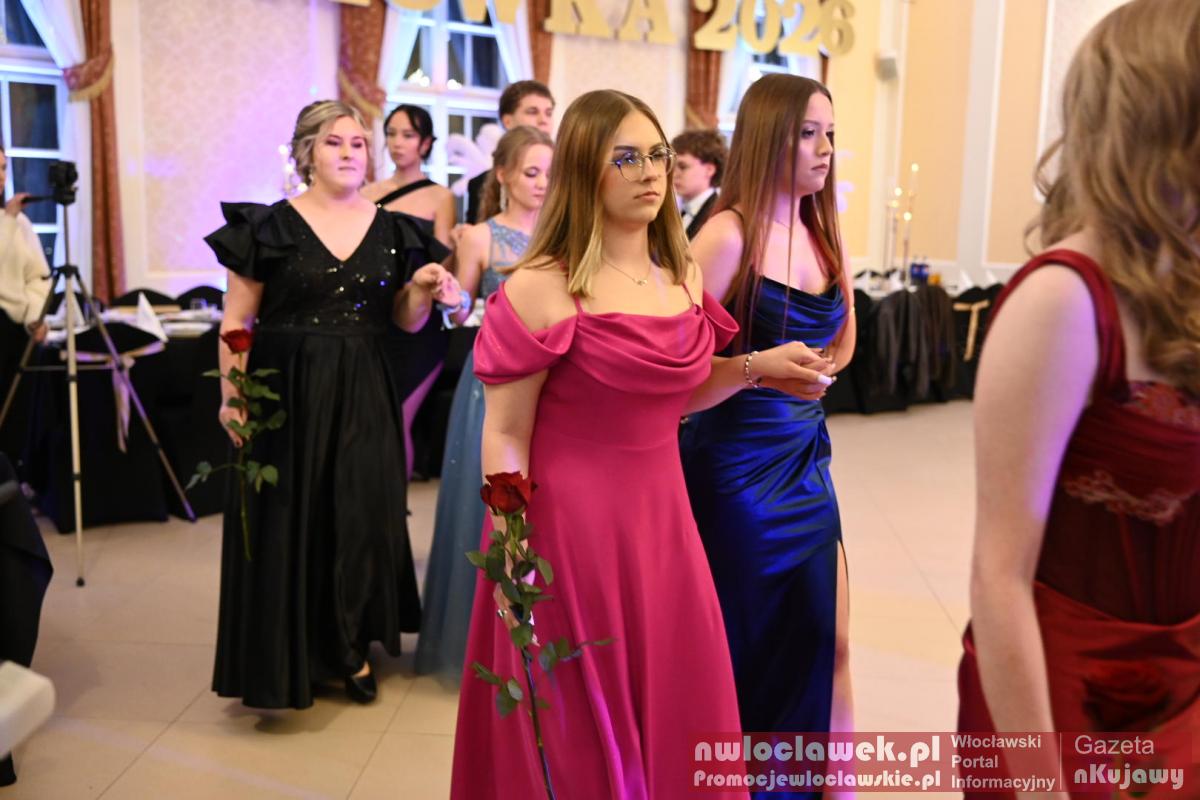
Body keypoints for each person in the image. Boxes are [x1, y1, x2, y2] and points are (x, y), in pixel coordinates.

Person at [450, 89, 833, 799]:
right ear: (583, 169)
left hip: (663, 521)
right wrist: (511, 551)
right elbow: (505, 430)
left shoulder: (680, 276)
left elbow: (676, 394)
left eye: (656, 154)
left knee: (673, 697)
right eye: (625, 157)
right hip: (568, 529)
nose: (650, 171)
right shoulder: (541, 285)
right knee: (579, 721)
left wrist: (756, 367)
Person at [958, 1, 1200, 797]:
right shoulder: (1063, 300)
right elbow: (999, 575)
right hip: (1071, 698)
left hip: (1183, 681)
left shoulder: (1186, 286)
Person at [204, 100, 460, 709]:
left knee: (359, 512)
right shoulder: (269, 226)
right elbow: (237, 320)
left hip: (366, 383)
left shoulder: (395, 229)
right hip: (285, 389)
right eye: (333, 143)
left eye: (357, 143)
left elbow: (403, 320)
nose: (348, 153)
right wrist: (232, 398)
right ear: (307, 154)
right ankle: (291, 649)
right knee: (292, 515)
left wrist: (423, 290)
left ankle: (349, 647)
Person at [678, 74, 854, 800]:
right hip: (737, 474)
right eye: (808, 134)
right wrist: (757, 369)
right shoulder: (726, 235)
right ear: (767, 139)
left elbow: (841, 341)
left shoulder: (822, 230)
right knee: (749, 648)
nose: (825, 149)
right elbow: (675, 380)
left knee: (828, 638)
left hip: (806, 462)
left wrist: (818, 371)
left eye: (831, 134)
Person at [415, 125, 552, 681]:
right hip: (494, 377)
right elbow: (460, 310)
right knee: (494, 497)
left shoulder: (567, 232)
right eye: (531, 172)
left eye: (550, 173)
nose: (542, 183)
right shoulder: (479, 236)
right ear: (503, 175)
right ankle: (488, 644)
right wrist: (451, 298)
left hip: (554, 378)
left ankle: (544, 636)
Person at [363, 105, 461, 478]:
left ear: (425, 143)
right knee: (372, 417)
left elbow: (444, 261)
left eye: (407, 135)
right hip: (376, 313)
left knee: (398, 416)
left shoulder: (440, 197)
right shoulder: (367, 193)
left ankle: (393, 507)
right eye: (391, 134)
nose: (397, 142)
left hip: (421, 321)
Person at [465, 80, 555, 224]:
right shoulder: (479, 184)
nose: (543, 120)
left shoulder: (568, 177)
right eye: (532, 112)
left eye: (548, 113)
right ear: (507, 121)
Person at [670, 128, 726, 239]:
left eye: (682, 167)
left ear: (709, 170)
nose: (674, 174)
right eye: (672, 166)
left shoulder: (717, 215)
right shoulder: (682, 210)